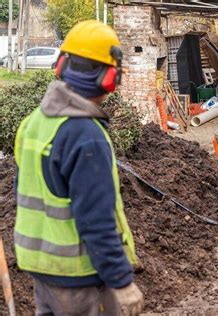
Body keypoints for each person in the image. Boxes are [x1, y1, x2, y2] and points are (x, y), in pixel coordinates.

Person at [14, 20, 144, 315]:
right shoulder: (87, 137)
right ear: (111, 78)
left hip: (40, 267)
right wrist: (122, 283)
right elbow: (96, 220)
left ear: (61, 64)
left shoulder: (34, 122)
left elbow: (21, 190)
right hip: (78, 275)